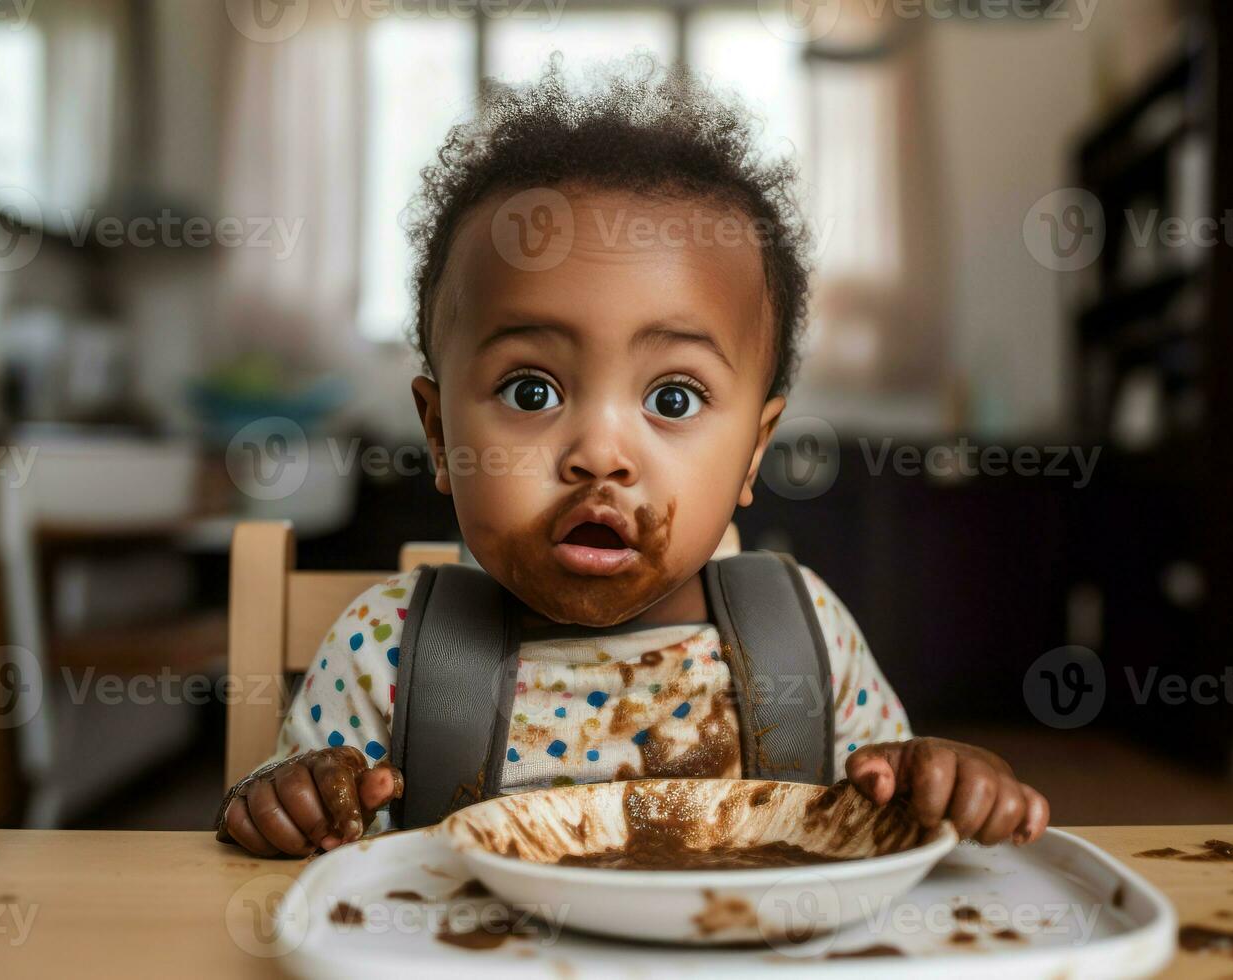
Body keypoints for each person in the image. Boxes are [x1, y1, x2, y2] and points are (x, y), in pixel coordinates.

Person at [215, 54, 1049, 858]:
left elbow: (886, 813)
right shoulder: (382, 654)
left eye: (673, 400)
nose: (600, 455)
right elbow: (295, 855)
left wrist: (941, 782)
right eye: (533, 392)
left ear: (754, 452)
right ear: (439, 436)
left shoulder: (805, 642)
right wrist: (288, 805)